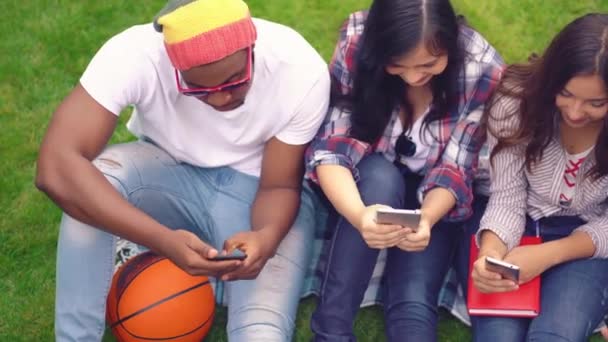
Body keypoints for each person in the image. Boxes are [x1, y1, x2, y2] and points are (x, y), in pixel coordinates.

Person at [34, 0, 330, 340]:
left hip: (257, 192)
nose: (220, 100)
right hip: (168, 173)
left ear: (252, 46)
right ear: (171, 61)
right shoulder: (135, 53)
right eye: (199, 87)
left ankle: (148, 253)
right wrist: (163, 240)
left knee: (261, 333)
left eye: (234, 81)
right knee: (86, 185)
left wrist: (266, 236)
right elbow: (55, 168)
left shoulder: (298, 68)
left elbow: (279, 186)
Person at [304, 0, 503, 340]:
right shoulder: (357, 41)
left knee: (413, 300)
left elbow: (457, 167)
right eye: (397, 64)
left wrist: (426, 217)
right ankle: (332, 330)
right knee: (381, 178)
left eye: (428, 64)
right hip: (367, 179)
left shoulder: (481, 67)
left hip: (438, 195)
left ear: (450, 44)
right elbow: (335, 144)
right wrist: (359, 215)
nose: (413, 76)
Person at [465, 13, 608, 342]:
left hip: (587, 238)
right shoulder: (516, 101)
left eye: (596, 103)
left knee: (554, 335)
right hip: (519, 224)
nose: (574, 112)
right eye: (566, 93)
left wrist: (550, 254)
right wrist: (490, 255)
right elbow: (507, 196)